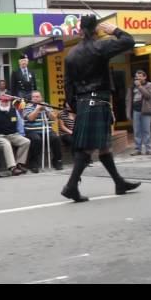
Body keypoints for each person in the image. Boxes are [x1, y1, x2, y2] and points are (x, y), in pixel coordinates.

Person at [62, 15, 140, 202]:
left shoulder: (70, 55)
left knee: (104, 146)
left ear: (80, 30)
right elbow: (129, 41)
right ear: (96, 30)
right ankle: (71, 186)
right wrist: (114, 30)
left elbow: (68, 84)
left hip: (84, 102)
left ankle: (119, 182)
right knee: (88, 148)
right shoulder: (100, 47)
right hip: (98, 100)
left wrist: (74, 105)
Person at [0, 94, 29, 176]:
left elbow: (19, 124)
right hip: (0, 135)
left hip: (13, 134)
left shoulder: (14, 111)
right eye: (3, 101)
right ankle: (12, 168)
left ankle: (19, 164)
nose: (5, 103)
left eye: (7, 101)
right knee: (7, 145)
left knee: (26, 141)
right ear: (0, 101)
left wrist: (21, 134)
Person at [23, 91, 63, 172]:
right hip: (32, 130)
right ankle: (33, 163)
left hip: (46, 130)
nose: (35, 98)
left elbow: (53, 118)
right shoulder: (28, 106)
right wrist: (37, 109)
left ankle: (57, 161)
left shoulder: (46, 105)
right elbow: (30, 118)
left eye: (37, 97)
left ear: (41, 98)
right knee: (36, 140)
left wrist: (46, 110)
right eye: (34, 97)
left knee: (56, 138)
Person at [125, 70, 151, 156]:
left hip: (145, 110)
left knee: (146, 130)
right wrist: (128, 112)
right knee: (137, 131)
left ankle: (148, 149)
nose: (138, 78)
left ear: (145, 77)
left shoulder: (150, 85)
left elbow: (148, 96)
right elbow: (128, 100)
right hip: (135, 110)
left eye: (140, 76)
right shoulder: (131, 86)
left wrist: (140, 86)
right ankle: (137, 149)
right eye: (136, 76)